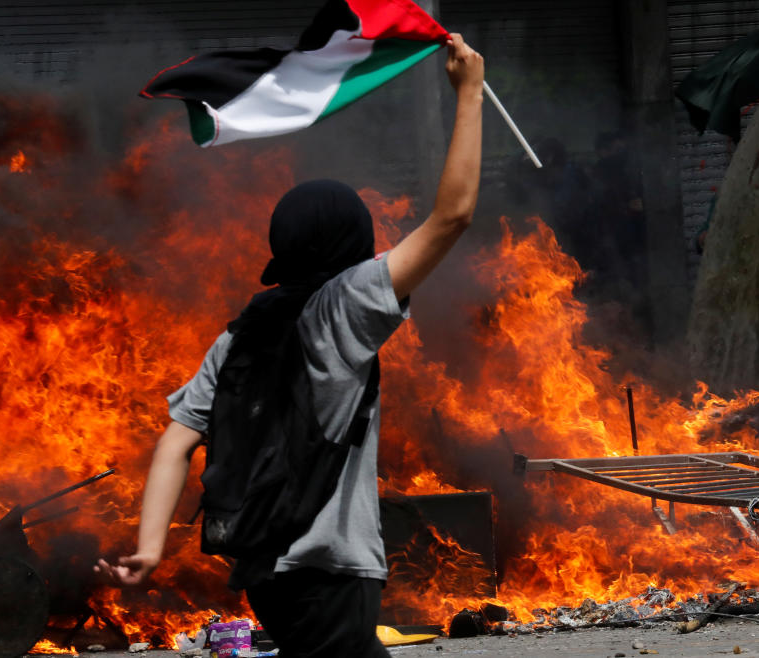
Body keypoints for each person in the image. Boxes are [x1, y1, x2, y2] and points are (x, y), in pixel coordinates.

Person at [95, 33, 484, 657]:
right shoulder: (343, 308)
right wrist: (468, 94)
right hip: (327, 572)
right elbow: (454, 216)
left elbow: (174, 444)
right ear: (349, 245)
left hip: (264, 572)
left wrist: (149, 548)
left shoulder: (238, 335)